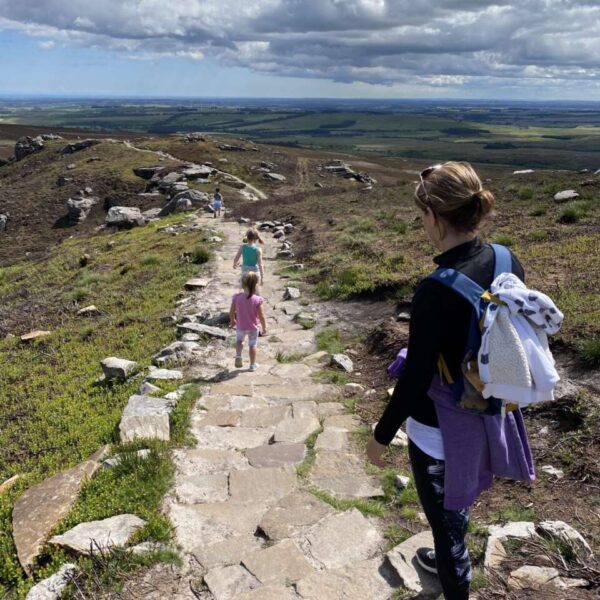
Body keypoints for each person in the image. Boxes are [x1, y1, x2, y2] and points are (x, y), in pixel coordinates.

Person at [367, 162, 534, 600]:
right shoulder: (504, 257)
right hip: (493, 407)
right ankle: (449, 549)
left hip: (441, 425)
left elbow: (418, 375)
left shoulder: (435, 290)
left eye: (423, 215)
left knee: (444, 519)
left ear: (436, 218)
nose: (422, 224)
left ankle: (451, 565)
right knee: (457, 504)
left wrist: (381, 436)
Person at [229, 271, 267, 371]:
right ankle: (252, 365)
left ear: (242, 283)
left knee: (239, 341)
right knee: (252, 344)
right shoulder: (257, 299)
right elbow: (261, 315)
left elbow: (232, 311)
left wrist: (232, 320)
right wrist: (264, 328)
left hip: (241, 326)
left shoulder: (236, 297)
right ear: (256, 284)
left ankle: (238, 355)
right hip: (253, 328)